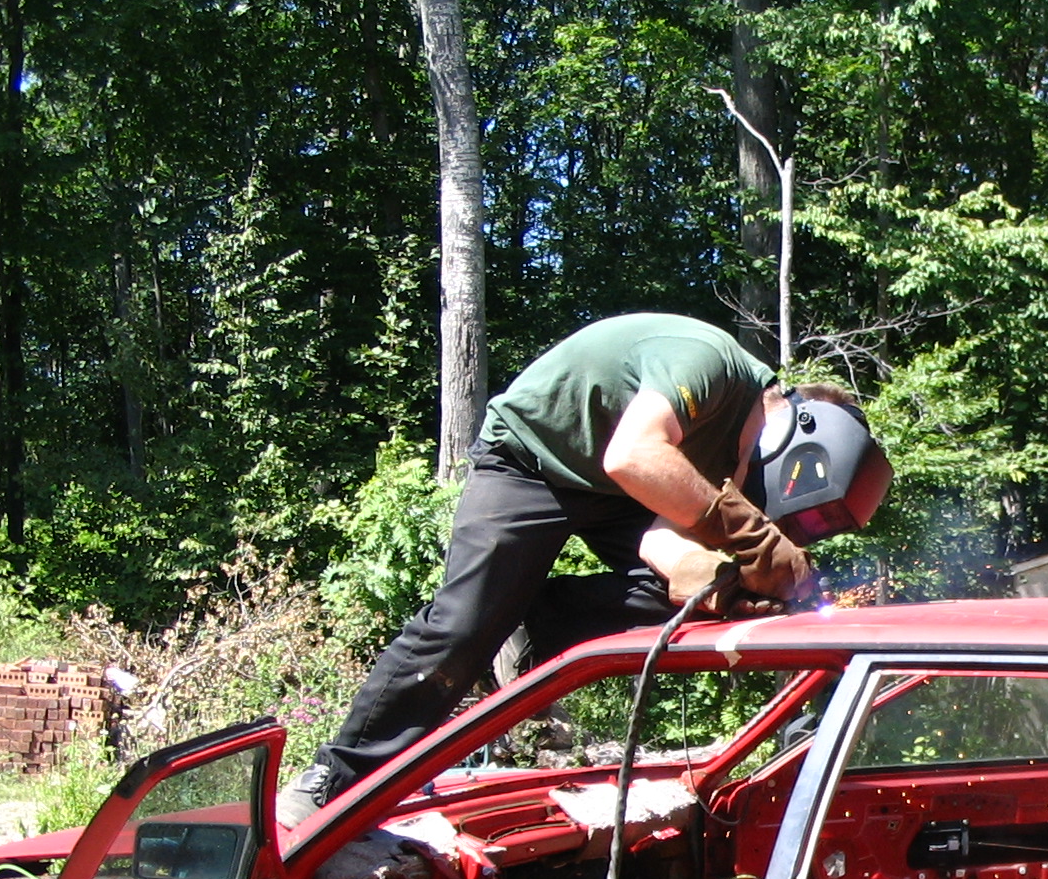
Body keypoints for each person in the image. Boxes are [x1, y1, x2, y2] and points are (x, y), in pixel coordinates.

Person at [279, 312, 891, 828]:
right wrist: (753, 540)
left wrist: (721, 589)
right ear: (800, 447)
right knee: (463, 625)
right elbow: (634, 456)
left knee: (696, 596)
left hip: (621, 489)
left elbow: (665, 548)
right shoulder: (711, 362)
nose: (771, 518)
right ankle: (333, 781)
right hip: (532, 460)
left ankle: (533, 625)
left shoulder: (729, 460)